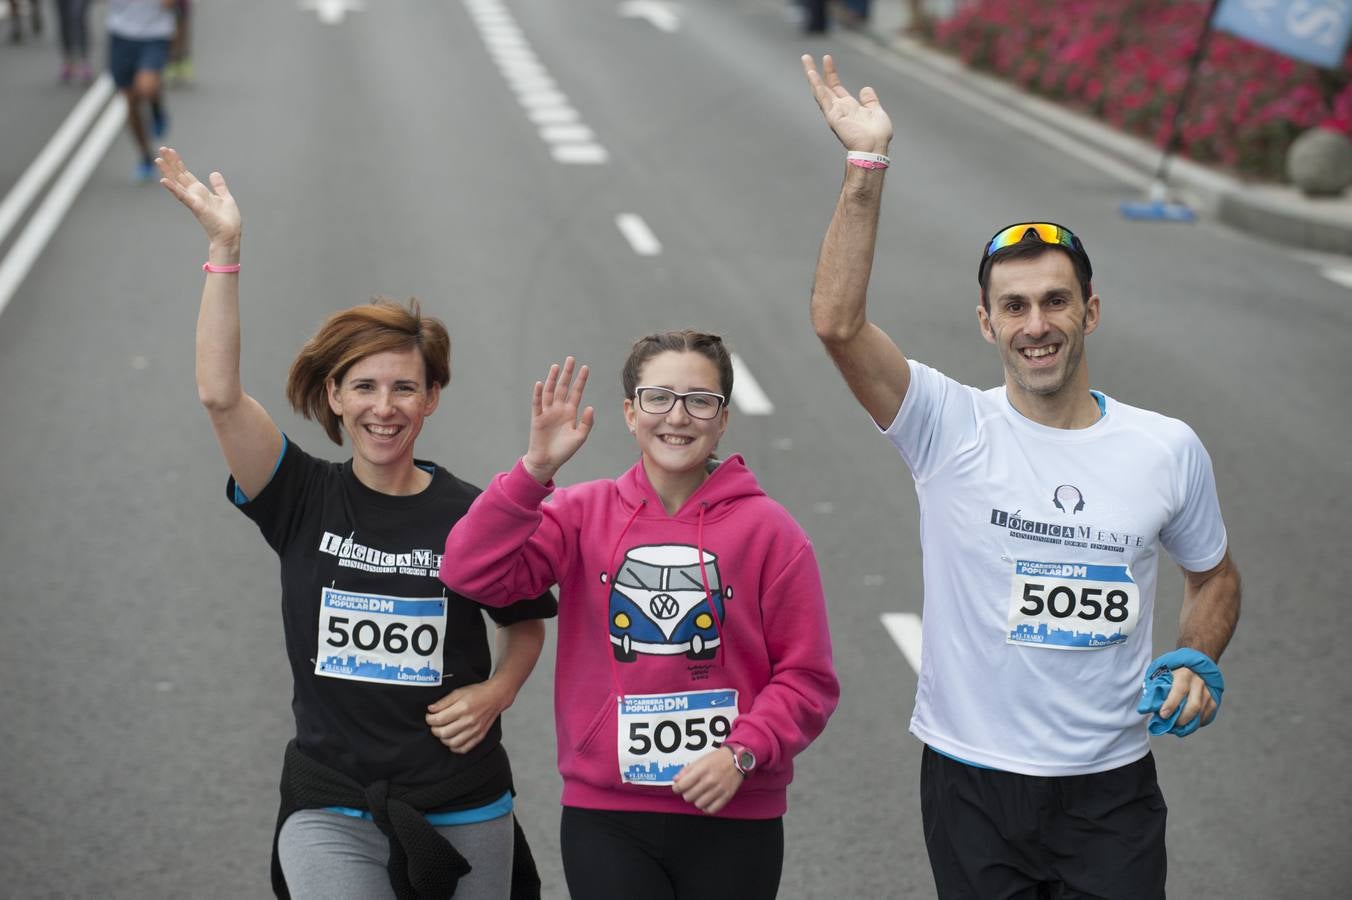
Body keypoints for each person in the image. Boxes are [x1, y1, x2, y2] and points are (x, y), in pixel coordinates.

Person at [801, 54, 1241, 899]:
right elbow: (836, 322)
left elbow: (1213, 573)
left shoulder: (1166, 448)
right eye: (1015, 306)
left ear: (1090, 311)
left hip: (1110, 789)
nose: (1036, 325)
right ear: (986, 322)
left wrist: (1195, 653)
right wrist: (865, 166)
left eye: (1055, 301)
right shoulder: (948, 425)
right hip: (972, 783)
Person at [156, 146, 557, 900]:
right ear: (334, 396)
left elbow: (526, 622)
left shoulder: (475, 512)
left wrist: (497, 691)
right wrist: (224, 250)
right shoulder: (298, 493)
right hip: (331, 802)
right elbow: (218, 395)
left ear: (432, 397)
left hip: (465, 799)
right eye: (365, 386)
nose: (385, 406)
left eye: (406, 386)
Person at [440, 334, 840, 899]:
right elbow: (469, 573)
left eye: (700, 400)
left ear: (722, 419)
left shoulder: (771, 531)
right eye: (658, 398)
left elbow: (808, 679)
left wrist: (741, 753)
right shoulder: (581, 513)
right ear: (630, 413)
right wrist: (534, 472)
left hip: (735, 812)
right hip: (608, 816)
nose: (678, 416)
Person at [108, 0, 175, 181]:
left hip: (155, 34)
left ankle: (156, 107)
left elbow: (169, 4)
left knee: (146, 86)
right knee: (130, 103)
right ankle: (145, 156)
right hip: (121, 35)